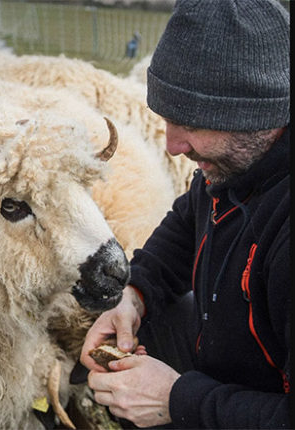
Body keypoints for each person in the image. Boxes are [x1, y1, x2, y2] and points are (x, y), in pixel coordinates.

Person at [79, 0, 290, 428]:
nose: (172, 145)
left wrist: (177, 400)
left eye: (191, 123)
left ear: (257, 115)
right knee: (147, 331)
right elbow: (186, 222)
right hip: (225, 375)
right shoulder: (233, 167)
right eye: (167, 119)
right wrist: (134, 294)